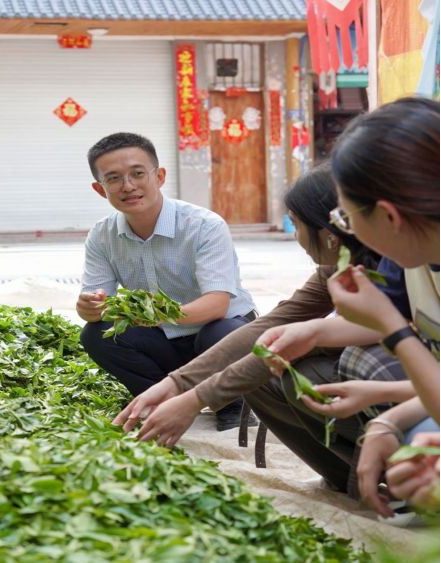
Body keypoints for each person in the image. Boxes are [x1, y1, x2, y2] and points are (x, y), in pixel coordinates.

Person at [113, 165, 411, 495]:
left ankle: (407, 474)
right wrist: (178, 383)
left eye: (296, 224)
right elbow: (276, 322)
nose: (295, 236)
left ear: (331, 230)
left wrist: (196, 399)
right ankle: (348, 478)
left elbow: (301, 340)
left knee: (325, 363)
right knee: (260, 371)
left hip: (413, 382)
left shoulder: (398, 265)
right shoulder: (339, 265)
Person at [259, 98, 440, 516]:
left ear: (390, 216)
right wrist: (314, 332)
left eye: (346, 217)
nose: (343, 232)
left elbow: (390, 327)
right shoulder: (411, 249)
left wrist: (393, 329)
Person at [77, 132, 258, 432]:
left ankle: (232, 404)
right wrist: (89, 307)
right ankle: (164, 400)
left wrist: (155, 314)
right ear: (100, 189)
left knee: (222, 330)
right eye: (114, 179)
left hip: (219, 332)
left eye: (138, 174)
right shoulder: (101, 235)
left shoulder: (204, 226)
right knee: (96, 334)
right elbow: (95, 305)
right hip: (164, 338)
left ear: (159, 176)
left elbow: (217, 304)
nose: (129, 186)